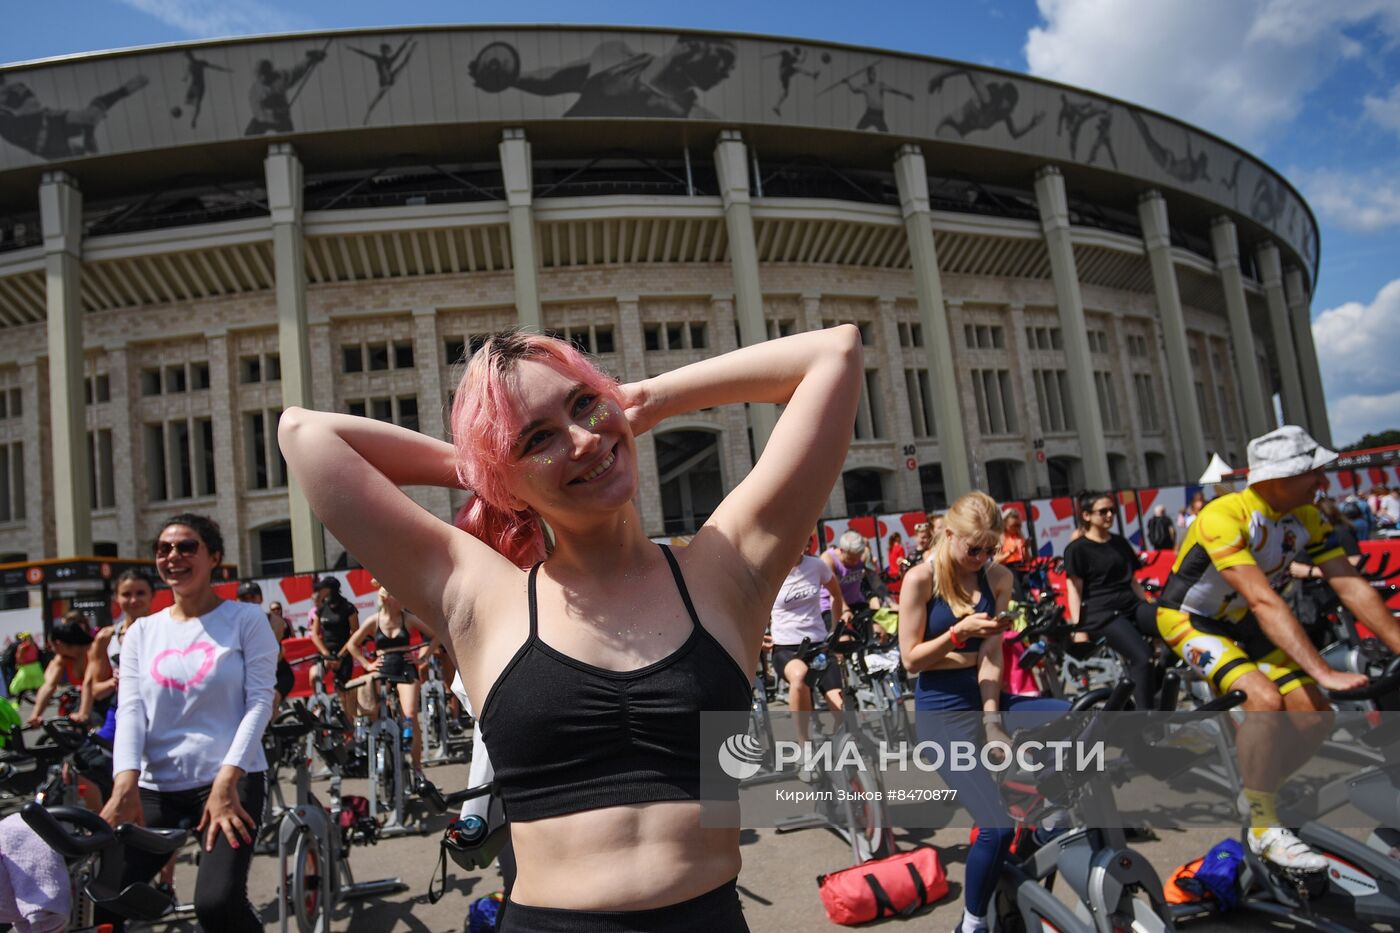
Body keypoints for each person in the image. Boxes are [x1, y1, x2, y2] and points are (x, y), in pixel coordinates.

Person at [278, 324, 862, 928]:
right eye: (538, 439)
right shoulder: (482, 598)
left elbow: (834, 353)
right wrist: (484, 468)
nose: (583, 440)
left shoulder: (728, 569)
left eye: (585, 404)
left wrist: (647, 400)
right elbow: (305, 434)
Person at [1155, 427, 1400, 870]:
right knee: (1265, 701)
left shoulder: (1306, 517)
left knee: (1315, 716)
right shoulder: (1224, 514)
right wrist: (1323, 671)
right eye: (1313, 472)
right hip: (1191, 620)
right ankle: (1266, 827)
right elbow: (1263, 599)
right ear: (1279, 476)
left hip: (1242, 621)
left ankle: (1256, 794)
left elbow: (1350, 585)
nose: (1322, 482)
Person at [899, 491, 1069, 933]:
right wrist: (958, 634)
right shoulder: (920, 579)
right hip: (941, 711)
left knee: (1072, 715)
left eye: (990, 548)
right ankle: (972, 924)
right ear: (949, 534)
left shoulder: (998, 578)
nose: (982, 556)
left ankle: (1041, 821)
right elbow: (912, 661)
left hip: (986, 700)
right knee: (995, 828)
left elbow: (993, 654)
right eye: (974, 548)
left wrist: (993, 721)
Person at [100, 514, 277, 932]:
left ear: (214, 557)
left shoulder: (247, 621)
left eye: (186, 547)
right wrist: (124, 782)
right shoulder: (141, 632)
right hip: (157, 788)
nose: (173, 557)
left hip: (232, 780)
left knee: (216, 905)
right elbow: (130, 710)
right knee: (104, 900)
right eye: (164, 549)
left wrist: (226, 779)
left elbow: (259, 704)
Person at [1062, 492, 1159, 712]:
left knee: (1173, 624)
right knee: (1142, 656)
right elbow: (1074, 591)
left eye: (1112, 510)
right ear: (1086, 515)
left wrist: (1150, 608)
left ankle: (1160, 687)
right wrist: (1079, 629)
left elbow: (1133, 582)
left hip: (1131, 605)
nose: (1109, 515)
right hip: (1102, 613)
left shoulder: (1119, 542)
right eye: (1103, 511)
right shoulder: (1077, 549)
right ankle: (1145, 719)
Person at [345, 585, 437, 780]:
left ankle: (417, 768)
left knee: (410, 715)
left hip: (405, 666)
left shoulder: (408, 618)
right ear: (386, 599)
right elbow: (352, 644)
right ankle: (380, 749)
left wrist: (424, 657)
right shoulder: (374, 620)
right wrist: (367, 664)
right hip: (383, 668)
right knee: (375, 711)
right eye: (397, 596)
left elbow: (436, 634)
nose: (402, 600)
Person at [770, 550, 846, 746]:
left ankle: (842, 750)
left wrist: (835, 630)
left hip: (818, 644)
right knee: (800, 677)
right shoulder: (770, 567)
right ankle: (804, 744)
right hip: (786, 648)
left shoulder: (816, 565)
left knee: (843, 710)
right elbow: (750, 605)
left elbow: (836, 594)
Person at [24, 614, 93, 727]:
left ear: (59, 643)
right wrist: (35, 715)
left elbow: (89, 683)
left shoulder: (92, 650)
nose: (51, 650)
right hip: (87, 701)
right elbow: (49, 686)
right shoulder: (63, 658)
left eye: (52, 646)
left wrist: (83, 713)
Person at [307, 575, 361, 720]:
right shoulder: (321, 609)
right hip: (326, 653)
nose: (319, 592)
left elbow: (355, 633)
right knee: (314, 676)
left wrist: (341, 656)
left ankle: (349, 728)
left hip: (343, 652)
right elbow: (314, 634)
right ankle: (321, 705)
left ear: (331, 590)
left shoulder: (348, 608)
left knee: (343, 694)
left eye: (322, 589)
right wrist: (326, 654)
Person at [822, 531, 882, 622]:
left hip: (856, 602)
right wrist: (845, 610)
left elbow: (874, 580)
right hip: (831, 606)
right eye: (851, 559)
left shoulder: (863, 555)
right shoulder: (828, 559)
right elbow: (834, 593)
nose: (855, 563)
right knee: (845, 636)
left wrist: (887, 602)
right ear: (842, 550)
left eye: (857, 559)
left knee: (877, 631)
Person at [995, 508, 1031, 599]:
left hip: (1022, 569)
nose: (1017, 528)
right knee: (1018, 595)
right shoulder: (1001, 538)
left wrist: (1026, 548)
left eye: (1019, 525)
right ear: (1005, 524)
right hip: (1009, 569)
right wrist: (1010, 552)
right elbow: (996, 560)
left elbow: (1028, 559)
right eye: (1014, 525)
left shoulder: (1019, 536)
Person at [885, 532, 906, 599]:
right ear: (898, 538)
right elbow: (901, 562)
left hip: (891, 574)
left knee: (894, 595)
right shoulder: (900, 548)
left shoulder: (890, 549)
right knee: (901, 595)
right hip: (898, 574)